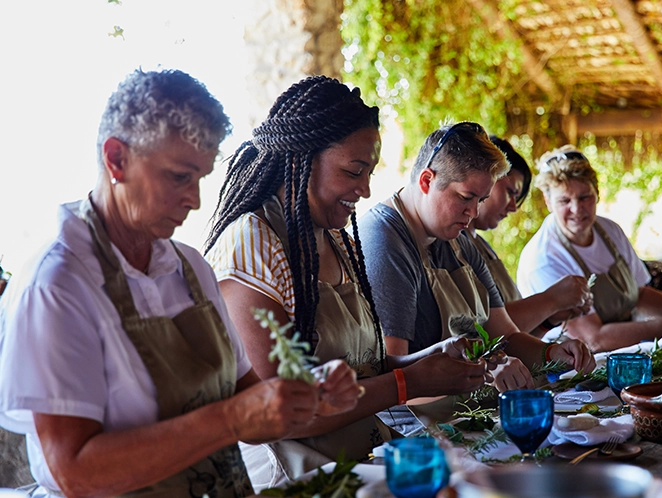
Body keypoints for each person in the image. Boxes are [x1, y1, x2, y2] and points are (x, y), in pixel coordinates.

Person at [0, 69, 362, 498]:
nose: (194, 199)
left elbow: (254, 405)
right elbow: (73, 472)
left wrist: (313, 394)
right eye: (178, 176)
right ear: (116, 159)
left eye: (200, 178)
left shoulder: (189, 267)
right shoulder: (59, 285)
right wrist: (230, 419)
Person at [204, 76, 489, 490]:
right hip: (295, 478)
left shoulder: (335, 238)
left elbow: (363, 369)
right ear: (302, 159)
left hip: (360, 463)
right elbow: (278, 408)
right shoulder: (253, 243)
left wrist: (429, 362)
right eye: (354, 171)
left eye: (369, 172)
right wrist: (409, 381)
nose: (365, 189)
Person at [358, 123, 596, 400]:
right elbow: (392, 371)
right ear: (426, 181)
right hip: (414, 424)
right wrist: (484, 367)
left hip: (465, 408)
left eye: (481, 200)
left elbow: (505, 335)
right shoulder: (385, 241)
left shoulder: (457, 237)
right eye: (465, 197)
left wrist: (552, 353)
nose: (473, 212)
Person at [516, 145, 662, 352]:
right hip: (572, 368)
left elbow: (639, 294)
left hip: (626, 353)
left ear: (597, 193)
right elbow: (594, 339)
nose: (576, 209)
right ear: (548, 202)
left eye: (584, 197)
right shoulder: (544, 258)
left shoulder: (609, 231)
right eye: (564, 200)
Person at [465, 137, 592, 338]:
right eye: (510, 192)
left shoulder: (482, 247)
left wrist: (550, 319)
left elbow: (513, 340)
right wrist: (551, 299)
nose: (514, 206)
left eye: (585, 197)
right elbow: (485, 330)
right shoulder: (451, 247)